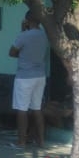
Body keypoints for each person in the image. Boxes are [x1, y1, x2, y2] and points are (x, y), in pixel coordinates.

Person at [9, 10, 49, 149]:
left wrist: (22, 30)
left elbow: (12, 52)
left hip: (25, 76)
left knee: (22, 109)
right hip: (40, 75)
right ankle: (41, 141)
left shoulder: (24, 35)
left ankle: (21, 141)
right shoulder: (44, 35)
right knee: (37, 108)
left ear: (27, 21)